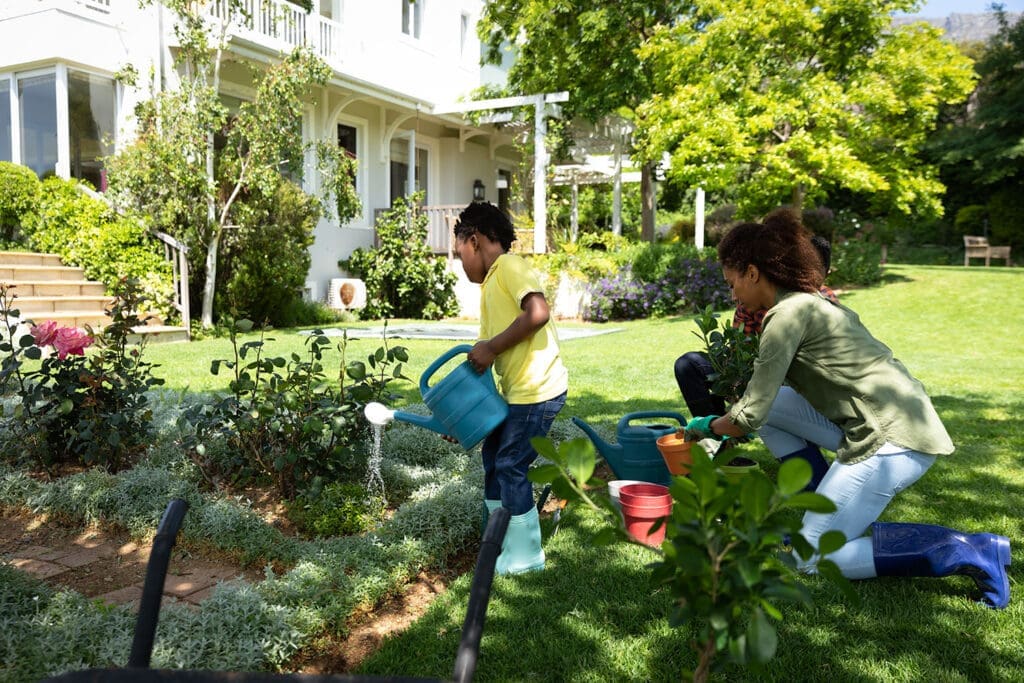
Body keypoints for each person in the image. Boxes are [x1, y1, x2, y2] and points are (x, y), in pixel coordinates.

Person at [684, 208, 1010, 609]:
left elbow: (747, 416)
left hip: (892, 439)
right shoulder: (811, 301)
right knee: (775, 413)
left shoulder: (785, 316)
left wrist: (707, 426)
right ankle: (820, 509)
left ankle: (964, 550)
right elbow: (762, 406)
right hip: (894, 418)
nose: (732, 294)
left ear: (752, 273)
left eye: (732, 283)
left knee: (811, 557)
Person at [453, 201, 569, 575]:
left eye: (460, 254)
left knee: (510, 463)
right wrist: (461, 418)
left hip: (538, 390)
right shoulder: (491, 285)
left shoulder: (509, 267)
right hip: (519, 393)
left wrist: (491, 347)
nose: (460, 263)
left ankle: (525, 556)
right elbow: (483, 361)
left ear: (475, 240)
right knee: (493, 458)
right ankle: (499, 539)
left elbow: (537, 312)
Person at [673, 235, 838, 490]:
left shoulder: (806, 306)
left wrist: (722, 421)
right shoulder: (754, 301)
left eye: (732, 285)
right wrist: (737, 390)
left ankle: (818, 482)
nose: (732, 296)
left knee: (768, 406)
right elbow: (740, 351)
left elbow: (791, 371)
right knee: (691, 365)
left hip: (836, 410)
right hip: (762, 375)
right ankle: (812, 486)